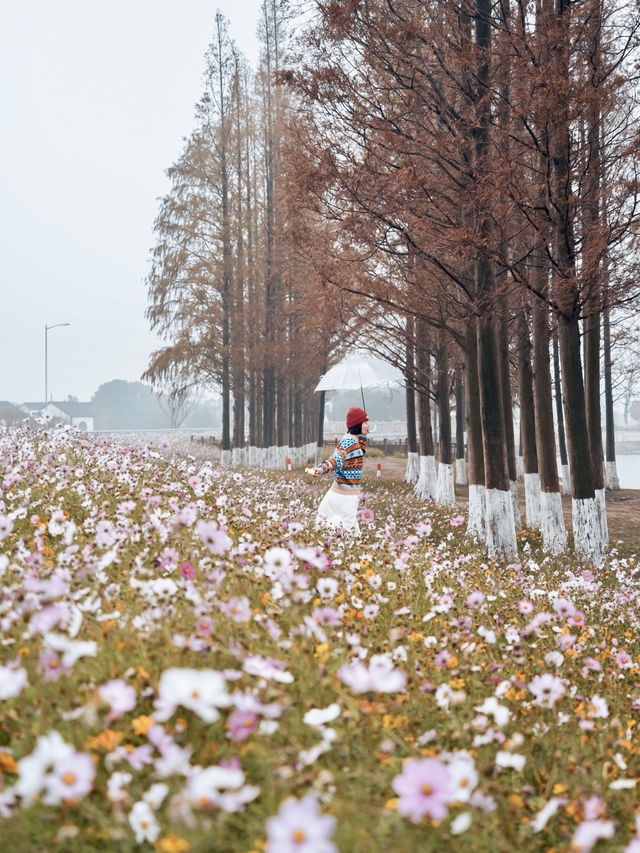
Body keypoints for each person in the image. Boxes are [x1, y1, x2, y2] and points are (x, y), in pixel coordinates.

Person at [305, 406, 371, 530]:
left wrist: (363, 436)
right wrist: (321, 469)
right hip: (342, 495)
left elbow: (357, 450)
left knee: (341, 526)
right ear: (358, 424)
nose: (368, 425)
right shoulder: (349, 443)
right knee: (341, 527)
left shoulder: (353, 440)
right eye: (365, 422)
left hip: (346, 493)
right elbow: (337, 459)